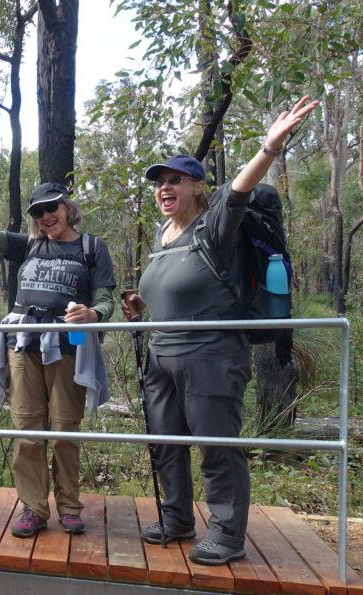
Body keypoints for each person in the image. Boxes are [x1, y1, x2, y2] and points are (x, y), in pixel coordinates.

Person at [122, 96, 318, 566]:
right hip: (161, 357)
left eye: (175, 181)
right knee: (166, 443)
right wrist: (139, 303)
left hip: (211, 356)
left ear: (196, 187)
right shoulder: (161, 237)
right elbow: (177, 289)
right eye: (160, 183)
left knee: (216, 446)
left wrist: (269, 147)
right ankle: (177, 518)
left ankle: (227, 534)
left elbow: (239, 191)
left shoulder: (215, 226)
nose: (165, 188)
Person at [0, 165, 115, 537]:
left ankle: (69, 506)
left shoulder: (91, 247)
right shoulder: (28, 244)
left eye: (52, 207)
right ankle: (33, 508)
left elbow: (105, 297)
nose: (45, 216)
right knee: (26, 426)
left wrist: (93, 313)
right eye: (37, 211)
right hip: (24, 344)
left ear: (68, 207)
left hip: (70, 345)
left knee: (66, 427)